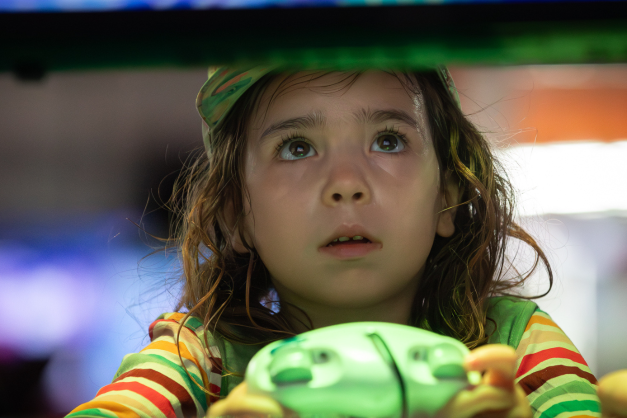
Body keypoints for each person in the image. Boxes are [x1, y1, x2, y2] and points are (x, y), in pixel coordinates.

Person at [67, 66, 618, 418]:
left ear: (447, 198)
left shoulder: (512, 340)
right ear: (237, 215)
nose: (347, 184)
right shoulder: (198, 356)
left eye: (388, 139)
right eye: (297, 148)